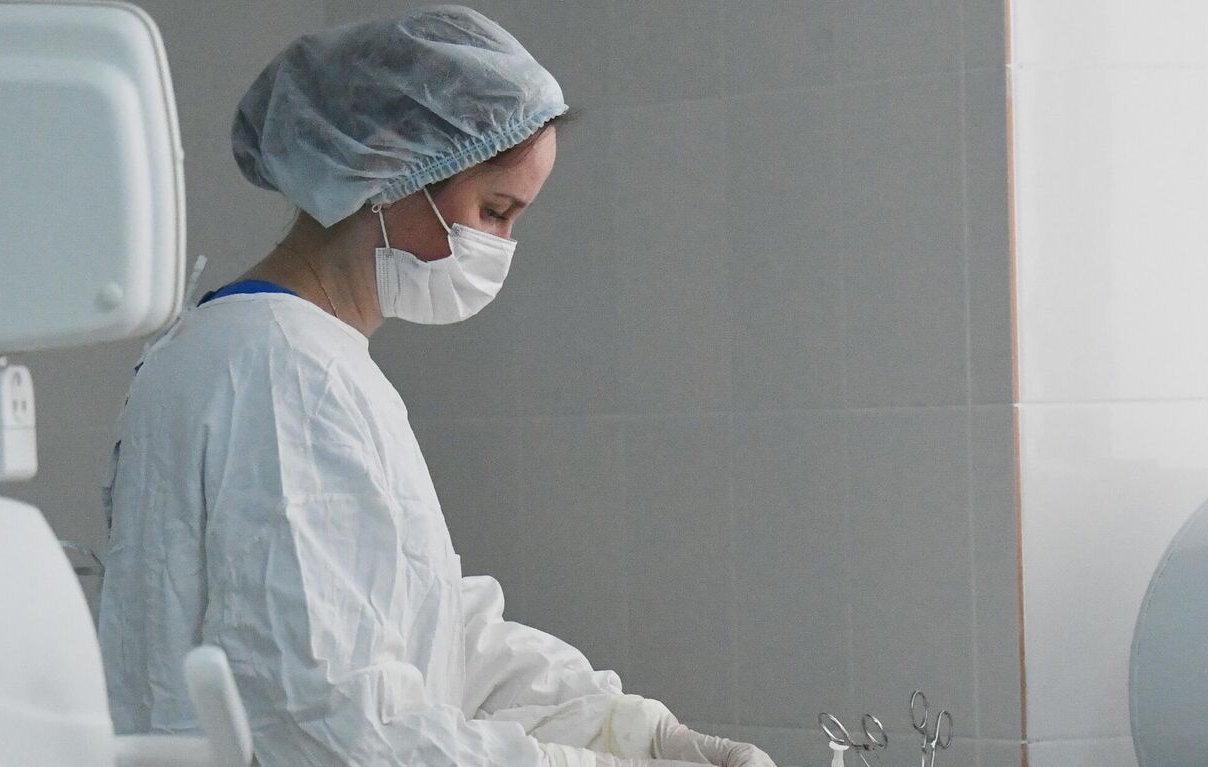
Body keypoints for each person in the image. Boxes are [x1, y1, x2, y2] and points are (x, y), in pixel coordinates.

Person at [95, 7, 776, 767]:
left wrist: (630, 729)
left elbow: (429, 626)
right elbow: (343, 727)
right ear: (392, 165)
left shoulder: (274, 351)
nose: (499, 247)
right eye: (493, 210)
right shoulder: (286, 377)